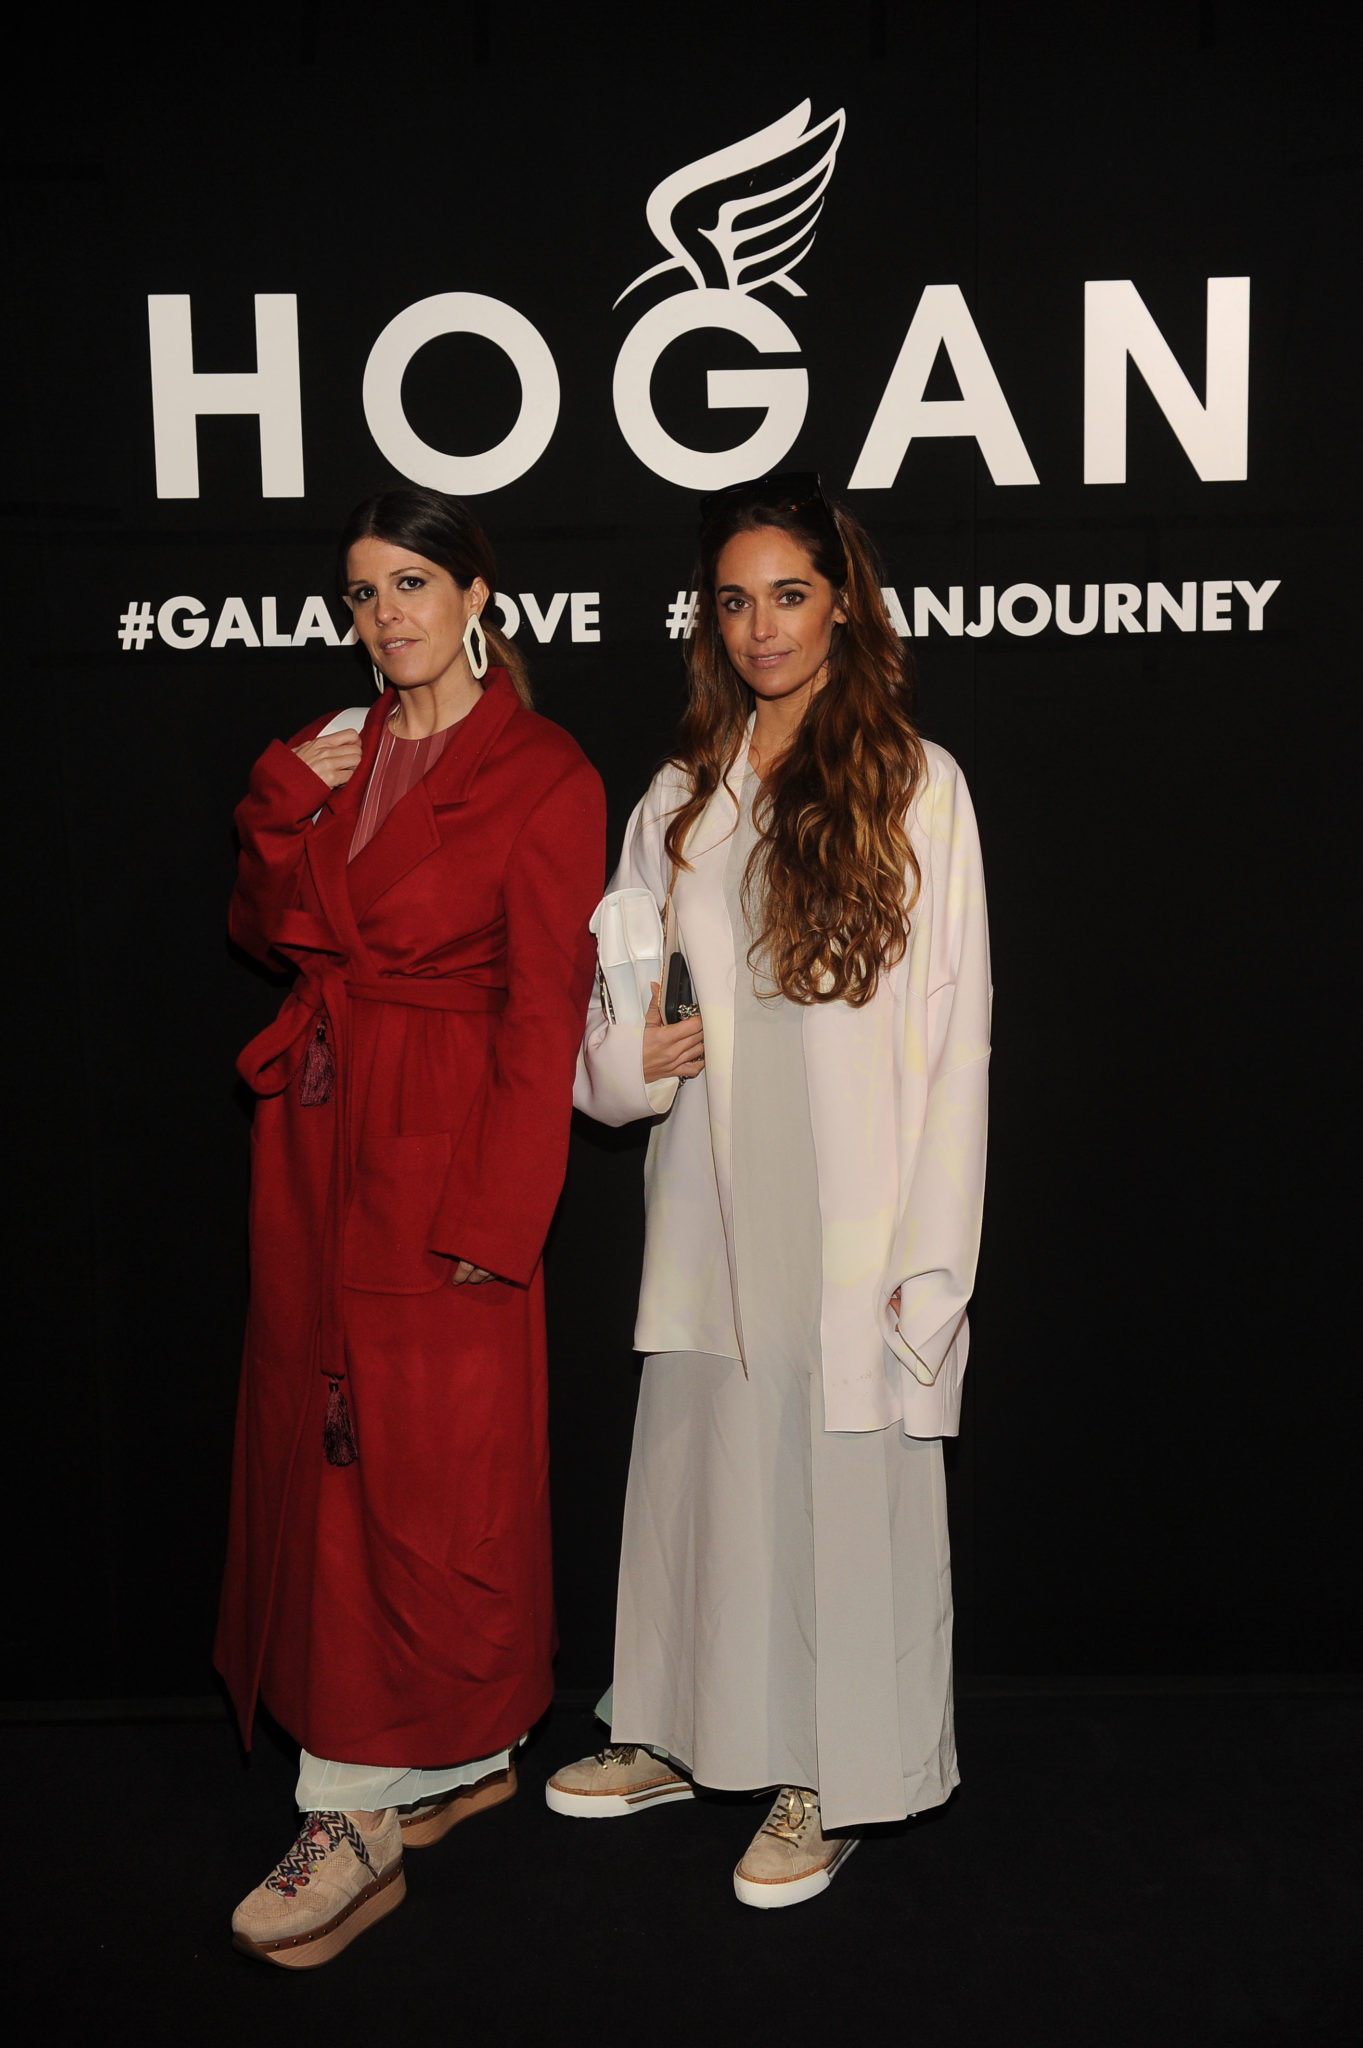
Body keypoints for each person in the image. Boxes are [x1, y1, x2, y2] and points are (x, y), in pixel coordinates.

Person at [546, 473, 990, 1908]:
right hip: (714, 1186)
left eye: (789, 595)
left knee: (842, 1478)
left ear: (843, 602)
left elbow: (957, 1042)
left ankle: (834, 1772)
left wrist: (936, 1260)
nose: (763, 628)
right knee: (708, 1464)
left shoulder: (918, 785)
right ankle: (685, 1727)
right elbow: (612, 1011)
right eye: (735, 602)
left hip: (856, 1198)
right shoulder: (680, 797)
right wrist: (632, 1060)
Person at [215, 485, 605, 1965]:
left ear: (476, 593)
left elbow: (545, 1013)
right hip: (317, 1153)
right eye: (365, 592)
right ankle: (433, 1767)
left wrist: (496, 1222)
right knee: (323, 1455)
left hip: (442, 1159)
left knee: (429, 1480)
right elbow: (266, 935)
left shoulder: (546, 773)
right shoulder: (343, 746)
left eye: (412, 585)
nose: (387, 617)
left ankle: (354, 1807)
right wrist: (283, 798)